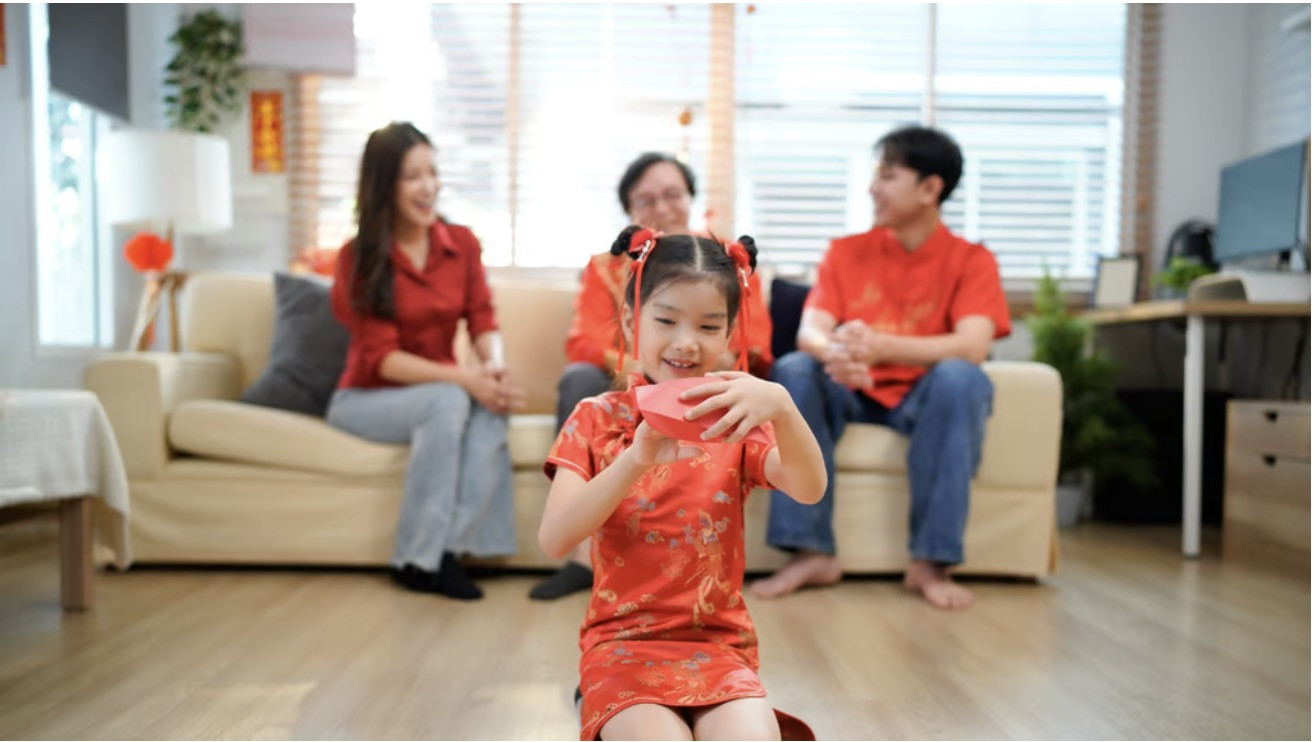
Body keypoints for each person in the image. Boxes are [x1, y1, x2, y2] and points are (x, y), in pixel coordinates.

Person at [539, 225, 825, 741]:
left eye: (709, 326)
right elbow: (555, 538)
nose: (687, 342)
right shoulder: (595, 417)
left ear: (729, 335)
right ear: (632, 322)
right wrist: (635, 460)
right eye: (666, 320)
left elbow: (809, 488)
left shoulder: (734, 420)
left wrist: (784, 407)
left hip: (719, 648)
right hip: (622, 647)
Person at [749, 126, 1012, 611]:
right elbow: (811, 332)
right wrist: (840, 354)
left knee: (961, 378)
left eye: (888, 176)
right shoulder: (846, 251)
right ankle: (810, 552)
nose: (873, 188)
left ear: (930, 189)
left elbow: (973, 345)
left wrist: (881, 348)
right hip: (850, 388)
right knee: (795, 368)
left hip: (924, 395)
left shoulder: (972, 260)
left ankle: (931, 562)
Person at [529, 153, 774, 601]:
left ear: (691, 198)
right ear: (630, 212)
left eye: (672, 195)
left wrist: (696, 359)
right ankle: (585, 553)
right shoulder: (606, 267)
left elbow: (753, 342)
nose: (662, 208)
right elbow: (585, 341)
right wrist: (646, 366)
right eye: (646, 200)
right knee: (579, 377)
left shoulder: (726, 262)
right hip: (630, 375)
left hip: (708, 378)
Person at [326, 121, 525, 601]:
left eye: (432, 172)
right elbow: (382, 359)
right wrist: (466, 380)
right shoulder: (358, 258)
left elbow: (482, 318)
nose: (429, 186)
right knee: (448, 400)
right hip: (367, 399)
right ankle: (415, 560)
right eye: (412, 176)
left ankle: (448, 552)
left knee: (489, 405)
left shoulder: (461, 243)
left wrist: (492, 370)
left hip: (442, 395)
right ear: (383, 185)